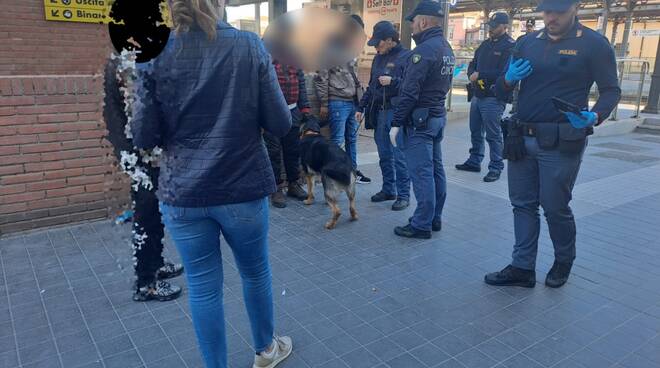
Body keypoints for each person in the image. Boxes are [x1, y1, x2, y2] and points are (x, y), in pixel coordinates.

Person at [130, 0, 294, 367]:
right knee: (254, 273)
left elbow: (142, 135)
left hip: (183, 193)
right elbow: (281, 123)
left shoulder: (153, 52)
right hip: (242, 187)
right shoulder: (249, 46)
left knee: (204, 287)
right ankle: (266, 351)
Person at [485, 0, 620, 288]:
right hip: (521, 137)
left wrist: (595, 115)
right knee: (522, 204)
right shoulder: (526, 43)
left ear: (575, 8)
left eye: (558, 11)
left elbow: (611, 91)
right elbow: (499, 90)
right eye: (547, 11)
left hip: (561, 141)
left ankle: (563, 260)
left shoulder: (595, 45)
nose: (551, 17)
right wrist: (508, 80)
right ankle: (522, 267)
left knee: (555, 206)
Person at [103, 53, 183, 303]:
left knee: (154, 212)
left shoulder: (136, 59)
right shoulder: (126, 62)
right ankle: (146, 282)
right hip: (139, 153)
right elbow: (136, 113)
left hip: (147, 151)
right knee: (146, 213)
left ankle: (156, 263)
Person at [391, 0, 455, 239]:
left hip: (420, 122)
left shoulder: (423, 51)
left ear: (424, 21)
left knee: (422, 173)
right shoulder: (445, 47)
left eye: (414, 23)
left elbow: (409, 92)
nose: (413, 27)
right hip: (436, 116)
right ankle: (433, 217)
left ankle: (421, 224)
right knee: (436, 170)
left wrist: (396, 122)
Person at [357, 21, 411, 211]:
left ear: (390, 40)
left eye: (378, 43)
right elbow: (371, 86)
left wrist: (393, 81)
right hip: (379, 112)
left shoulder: (407, 57)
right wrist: (360, 107)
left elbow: (411, 86)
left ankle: (404, 195)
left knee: (399, 155)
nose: (376, 47)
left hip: (396, 113)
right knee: (384, 154)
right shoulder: (378, 58)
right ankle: (389, 189)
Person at [455, 12, 515, 182]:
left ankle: (496, 166)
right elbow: (473, 63)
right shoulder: (485, 45)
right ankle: (475, 161)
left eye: (494, 26)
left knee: (493, 134)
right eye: (490, 26)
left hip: (494, 96)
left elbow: (505, 73)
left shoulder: (510, 46)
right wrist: (471, 72)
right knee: (475, 130)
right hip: (478, 94)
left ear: (505, 27)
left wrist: (480, 75)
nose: (491, 29)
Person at [315, 14, 372, 184]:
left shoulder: (350, 48)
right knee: (337, 142)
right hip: (337, 101)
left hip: (353, 101)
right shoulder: (329, 47)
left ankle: (352, 172)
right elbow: (321, 78)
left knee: (352, 139)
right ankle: (333, 176)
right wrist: (324, 103)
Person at [264, 60, 311, 208]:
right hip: (271, 112)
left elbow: (301, 83)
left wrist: (305, 108)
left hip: (293, 111)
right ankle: (276, 188)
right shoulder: (266, 57)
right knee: (274, 152)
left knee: (293, 151)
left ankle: (293, 184)